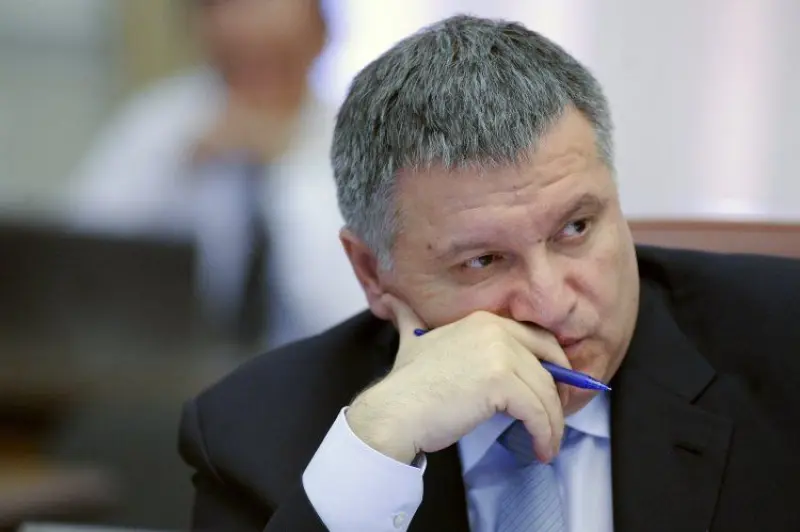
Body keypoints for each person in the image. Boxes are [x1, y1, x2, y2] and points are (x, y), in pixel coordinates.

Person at [178, 15, 800, 532]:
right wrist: (377, 449)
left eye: (576, 228)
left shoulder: (783, 346)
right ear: (371, 272)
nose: (550, 303)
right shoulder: (255, 435)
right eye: (482, 261)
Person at [67, 0, 364, 347]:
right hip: (169, 363)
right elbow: (80, 263)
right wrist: (178, 168)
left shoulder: (358, 142)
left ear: (320, 37)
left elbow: (348, 308)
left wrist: (287, 169)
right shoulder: (160, 125)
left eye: (275, 58)